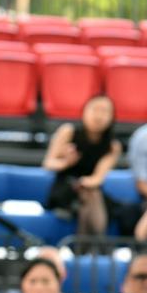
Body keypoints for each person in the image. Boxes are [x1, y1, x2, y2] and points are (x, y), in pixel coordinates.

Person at [42, 95, 121, 236]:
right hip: (64, 190)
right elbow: (48, 163)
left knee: (90, 195)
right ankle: (96, 249)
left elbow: (98, 177)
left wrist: (84, 183)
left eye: (104, 111)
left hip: (90, 188)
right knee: (90, 197)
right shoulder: (68, 132)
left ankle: (83, 249)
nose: (99, 115)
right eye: (95, 109)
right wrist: (66, 162)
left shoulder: (113, 146)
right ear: (84, 111)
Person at [7, 258, 81, 293]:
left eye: (46, 281)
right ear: (22, 284)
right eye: (32, 281)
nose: (39, 288)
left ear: (58, 284)